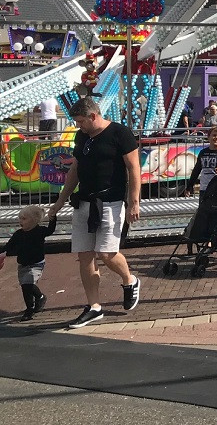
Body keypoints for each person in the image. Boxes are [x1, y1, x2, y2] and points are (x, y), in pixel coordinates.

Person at [47, 97, 141, 329]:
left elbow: (133, 168)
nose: (78, 126)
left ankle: (129, 280)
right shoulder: (82, 137)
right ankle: (94, 306)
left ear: (93, 116)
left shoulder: (120, 133)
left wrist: (134, 202)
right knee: (85, 254)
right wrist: (60, 201)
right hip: (84, 201)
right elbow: (75, 168)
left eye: (81, 121)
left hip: (109, 202)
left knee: (107, 253)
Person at [0, 205, 56, 321]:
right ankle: (40, 296)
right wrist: (2, 254)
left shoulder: (40, 231)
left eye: (24, 218)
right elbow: (9, 245)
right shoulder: (18, 234)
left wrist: (52, 218)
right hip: (23, 264)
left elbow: (50, 230)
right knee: (25, 285)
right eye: (20, 218)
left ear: (34, 220)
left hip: (36, 263)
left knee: (27, 283)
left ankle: (29, 309)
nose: (20, 221)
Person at [187, 127, 217, 195]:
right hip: (205, 189)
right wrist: (189, 186)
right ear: (208, 137)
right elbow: (197, 169)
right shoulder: (203, 152)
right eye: (214, 135)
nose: (216, 137)